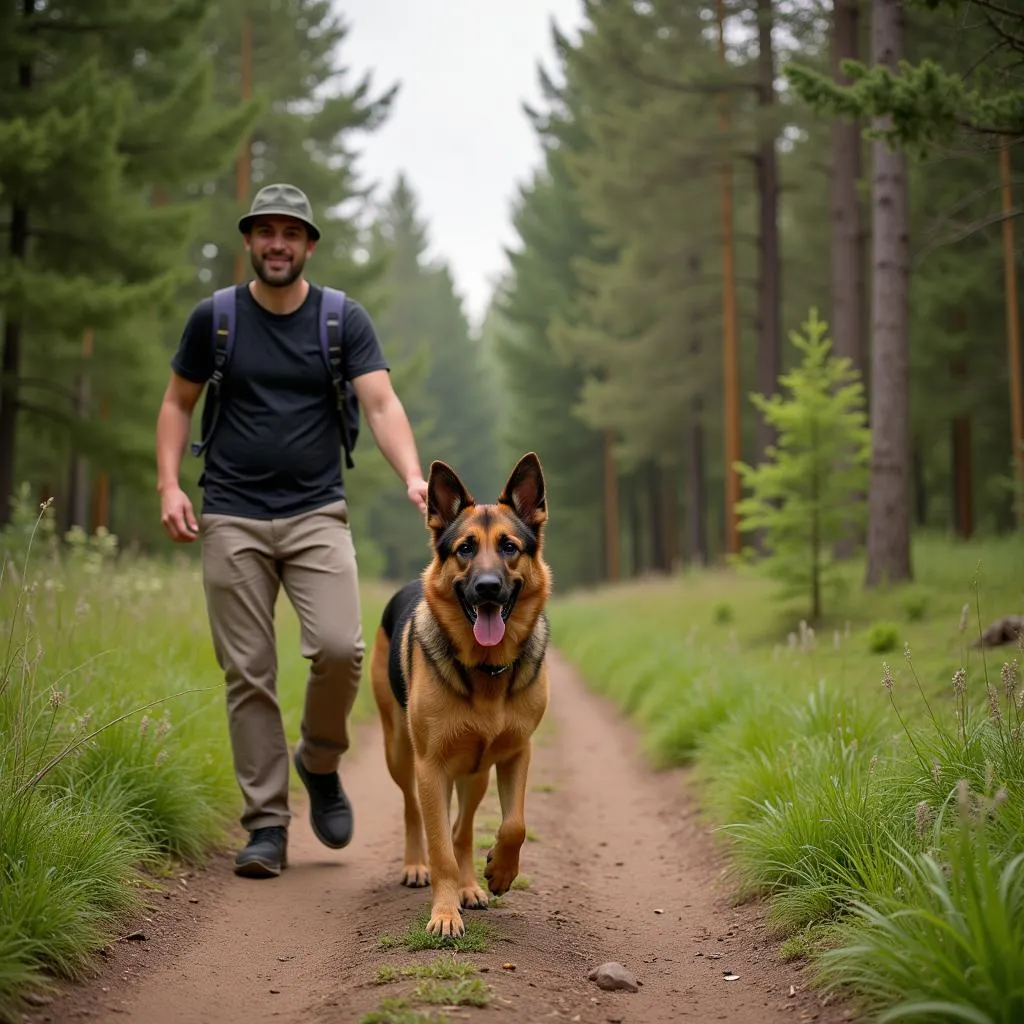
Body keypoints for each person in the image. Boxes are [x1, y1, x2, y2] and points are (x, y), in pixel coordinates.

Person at [155, 182, 429, 879]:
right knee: (249, 674)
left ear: (308, 245)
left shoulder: (341, 320)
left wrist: (413, 476)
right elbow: (176, 402)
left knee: (340, 647)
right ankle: (267, 826)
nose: (277, 244)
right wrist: (167, 485)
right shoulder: (216, 319)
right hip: (231, 515)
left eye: (291, 233)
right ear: (250, 241)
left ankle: (321, 758)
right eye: (265, 231)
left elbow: (381, 401)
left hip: (316, 513)